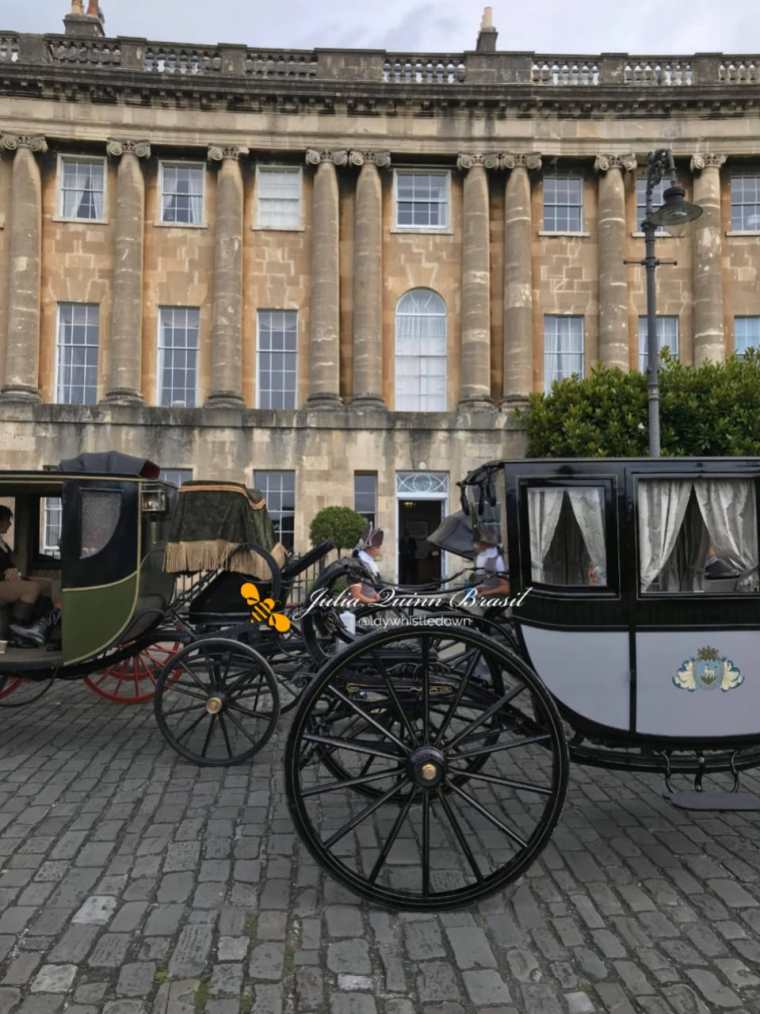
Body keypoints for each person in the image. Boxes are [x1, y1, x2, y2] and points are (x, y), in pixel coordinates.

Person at [0, 505, 61, 646]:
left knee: (50, 583)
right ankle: (16, 633)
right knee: (32, 588)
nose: (10, 524)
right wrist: (4, 574)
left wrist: (15, 574)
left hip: (8, 580)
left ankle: (45, 626)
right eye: (7, 520)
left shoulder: (2, 543)